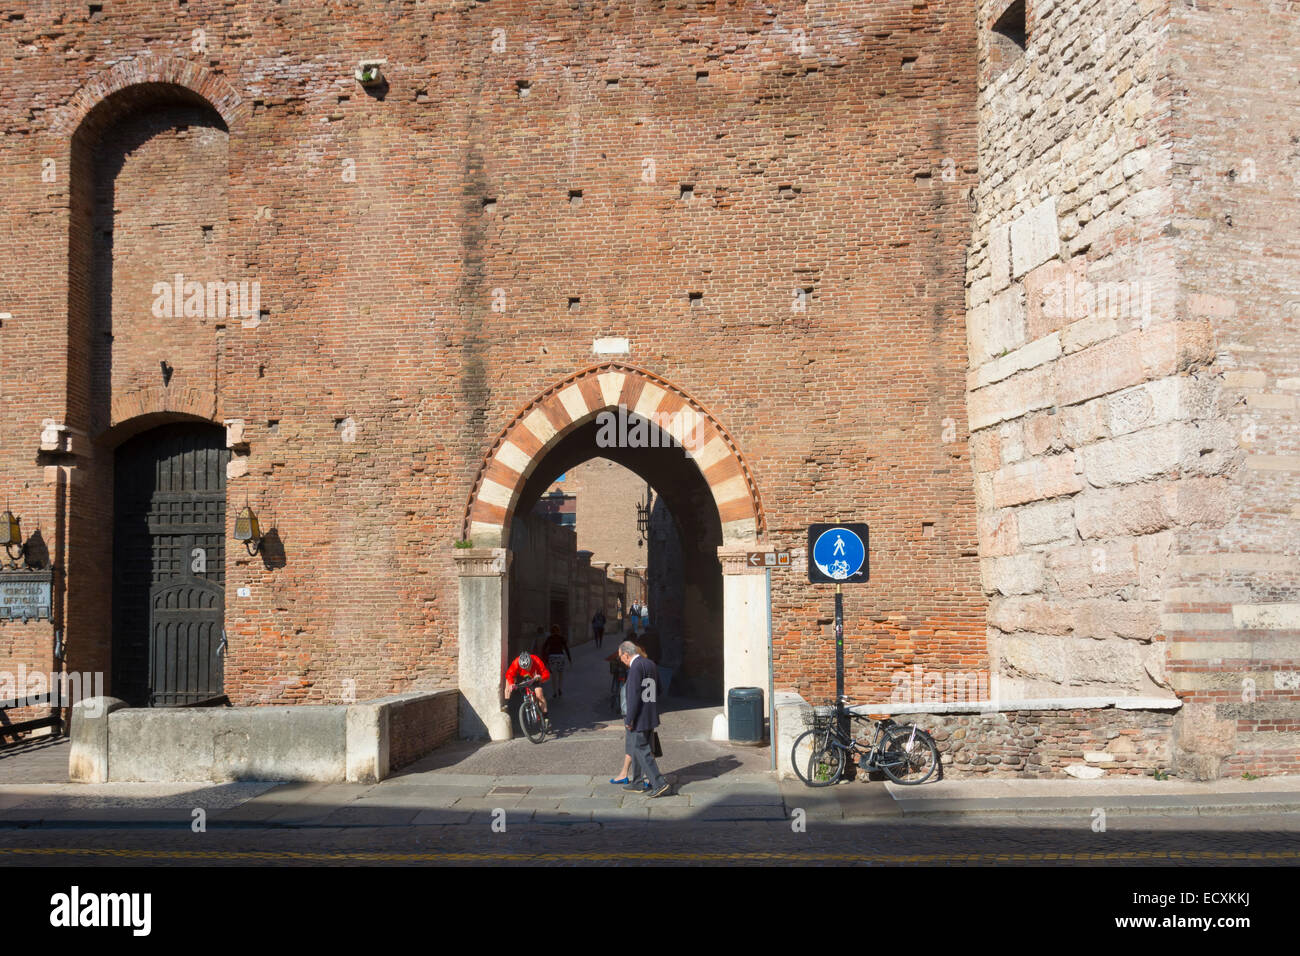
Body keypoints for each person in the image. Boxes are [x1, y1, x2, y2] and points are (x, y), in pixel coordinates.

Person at [619, 640, 670, 798]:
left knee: (642, 750)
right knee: (637, 748)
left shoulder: (635, 668)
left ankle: (659, 783)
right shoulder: (650, 663)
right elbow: (660, 689)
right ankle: (638, 781)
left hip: (639, 716)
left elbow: (633, 696)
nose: (621, 661)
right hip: (650, 713)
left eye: (620, 657)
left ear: (626, 655)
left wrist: (629, 719)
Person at [504, 651, 551, 728]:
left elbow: (546, 673)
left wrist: (541, 677)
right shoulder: (516, 662)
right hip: (523, 679)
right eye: (525, 668)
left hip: (535, 678)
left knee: (539, 694)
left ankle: (546, 717)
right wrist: (511, 683)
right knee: (511, 686)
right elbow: (509, 674)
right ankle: (510, 706)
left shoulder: (536, 660)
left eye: (529, 666)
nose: (527, 669)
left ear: (531, 661)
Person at [540, 624, 572, 698]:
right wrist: (570, 659)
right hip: (560, 657)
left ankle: (554, 692)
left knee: (554, 675)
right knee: (560, 674)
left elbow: (544, 648)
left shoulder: (549, 638)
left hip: (552, 657)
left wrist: (544, 658)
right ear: (558, 631)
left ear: (551, 631)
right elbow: (566, 648)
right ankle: (560, 688)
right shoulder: (561, 638)